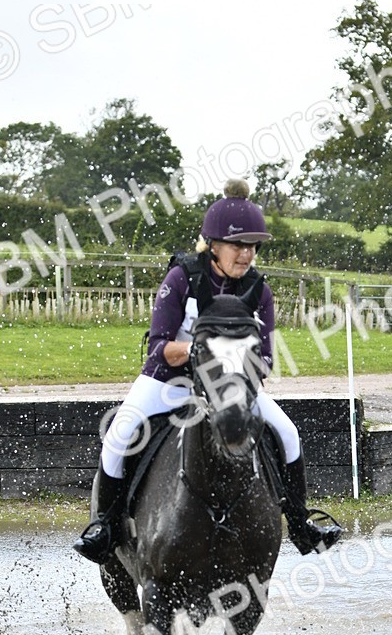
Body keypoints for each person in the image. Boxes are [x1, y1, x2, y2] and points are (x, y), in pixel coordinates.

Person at [73, 179, 343, 564]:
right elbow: (158, 347)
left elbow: (264, 358)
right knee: (119, 435)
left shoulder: (258, 291)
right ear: (213, 244)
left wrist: (234, 365)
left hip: (232, 387)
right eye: (238, 245)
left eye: (252, 246)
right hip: (170, 383)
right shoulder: (182, 278)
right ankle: (107, 525)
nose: (247, 254)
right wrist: (200, 351)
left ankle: (300, 523)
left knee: (289, 432)